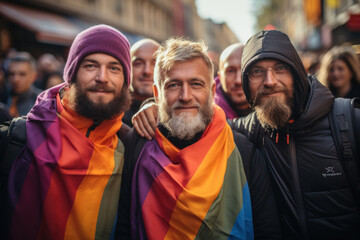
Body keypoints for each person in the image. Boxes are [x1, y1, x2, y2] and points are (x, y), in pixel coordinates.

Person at [132, 30, 360, 239]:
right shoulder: (245, 133)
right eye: (258, 72)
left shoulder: (349, 121)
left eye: (281, 68)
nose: (270, 81)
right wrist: (154, 108)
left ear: (297, 73)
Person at [116, 38, 281, 240]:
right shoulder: (136, 144)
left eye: (196, 84)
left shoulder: (242, 151)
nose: (186, 96)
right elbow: (122, 226)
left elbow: (267, 231)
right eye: (174, 85)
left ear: (212, 92)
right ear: (157, 94)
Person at [0, 24, 132, 240]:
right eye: (91, 65)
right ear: (71, 75)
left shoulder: (130, 149)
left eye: (114, 68)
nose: (102, 77)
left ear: (125, 81)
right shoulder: (17, 137)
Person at [122, 38, 160, 127]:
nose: (147, 71)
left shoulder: (175, 114)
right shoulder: (112, 115)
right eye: (138, 63)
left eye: (155, 64)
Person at [215, 43, 252, 119]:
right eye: (231, 71)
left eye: (245, 70)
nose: (238, 81)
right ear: (220, 77)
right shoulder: (208, 116)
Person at [6, 52, 42, 118]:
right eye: (12, 74)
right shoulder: (3, 95)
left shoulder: (42, 102)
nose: (16, 79)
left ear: (33, 76)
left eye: (22, 74)